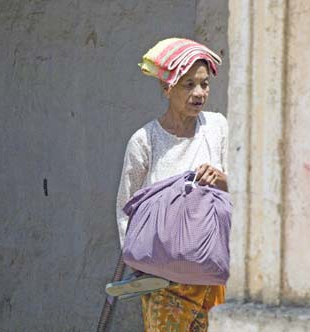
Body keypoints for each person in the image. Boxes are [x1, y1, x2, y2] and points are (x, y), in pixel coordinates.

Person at [116, 38, 229, 332]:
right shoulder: (145, 141)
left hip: (212, 279)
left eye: (204, 84)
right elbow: (126, 210)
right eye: (188, 84)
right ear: (167, 88)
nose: (199, 93)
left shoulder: (216, 128)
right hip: (163, 284)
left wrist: (221, 180)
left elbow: (243, 192)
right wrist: (141, 268)